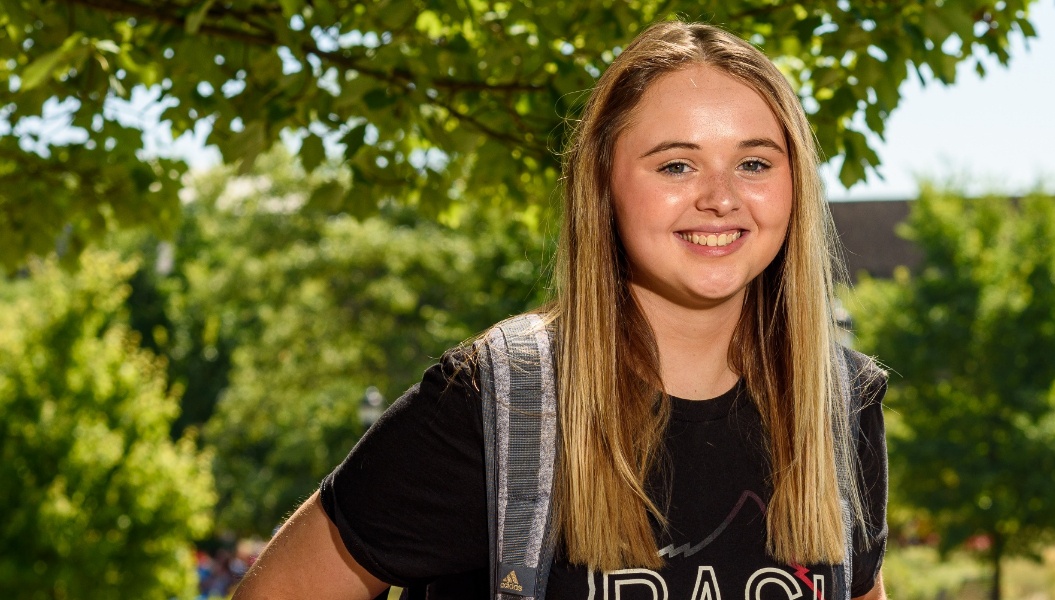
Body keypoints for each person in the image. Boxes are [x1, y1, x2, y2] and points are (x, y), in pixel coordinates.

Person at [235, 20, 889, 600]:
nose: (720, 198)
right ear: (603, 185)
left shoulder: (837, 403)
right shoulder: (496, 401)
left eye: (753, 162)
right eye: (675, 166)